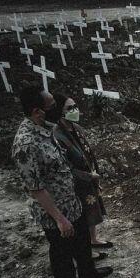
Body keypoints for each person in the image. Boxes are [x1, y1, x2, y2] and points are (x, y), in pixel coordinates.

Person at [11, 85, 112, 278]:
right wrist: (59, 218)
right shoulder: (26, 143)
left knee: (82, 238)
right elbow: (36, 188)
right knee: (62, 251)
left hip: (71, 200)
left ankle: (88, 272)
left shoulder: (46, 129)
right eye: (52, 106)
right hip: (55, 210)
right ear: (38, 111)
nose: (56, 109)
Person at [49, 94, 114, 256]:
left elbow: (86, 151)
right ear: (60, 112)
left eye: (75, 106)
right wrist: (87, 175)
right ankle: (86, 249)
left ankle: (93, 239)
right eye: (69, 108)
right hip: (76, 180)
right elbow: (66, 165)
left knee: (92, 207)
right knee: (82, 213)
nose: (74, 110)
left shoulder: (76, 128)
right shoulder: (57, 135)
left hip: (89, 175)